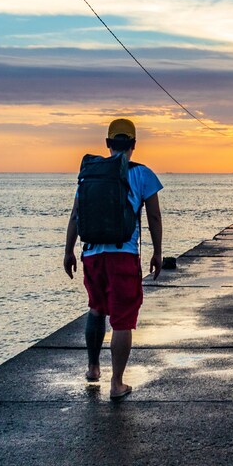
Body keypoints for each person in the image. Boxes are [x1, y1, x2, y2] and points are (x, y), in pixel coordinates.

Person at [63, 118, 163, 401]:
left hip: (92, 253)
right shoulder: (142, 173)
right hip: (123, 255)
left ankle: (93, 369)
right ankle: (116, 384)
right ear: (134, 144)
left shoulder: (91, 173)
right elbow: (154, 217)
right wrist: (157, 252)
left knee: (96, 309)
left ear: (108, 144)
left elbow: (76, 215)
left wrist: (68, 251)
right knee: (122, 320)